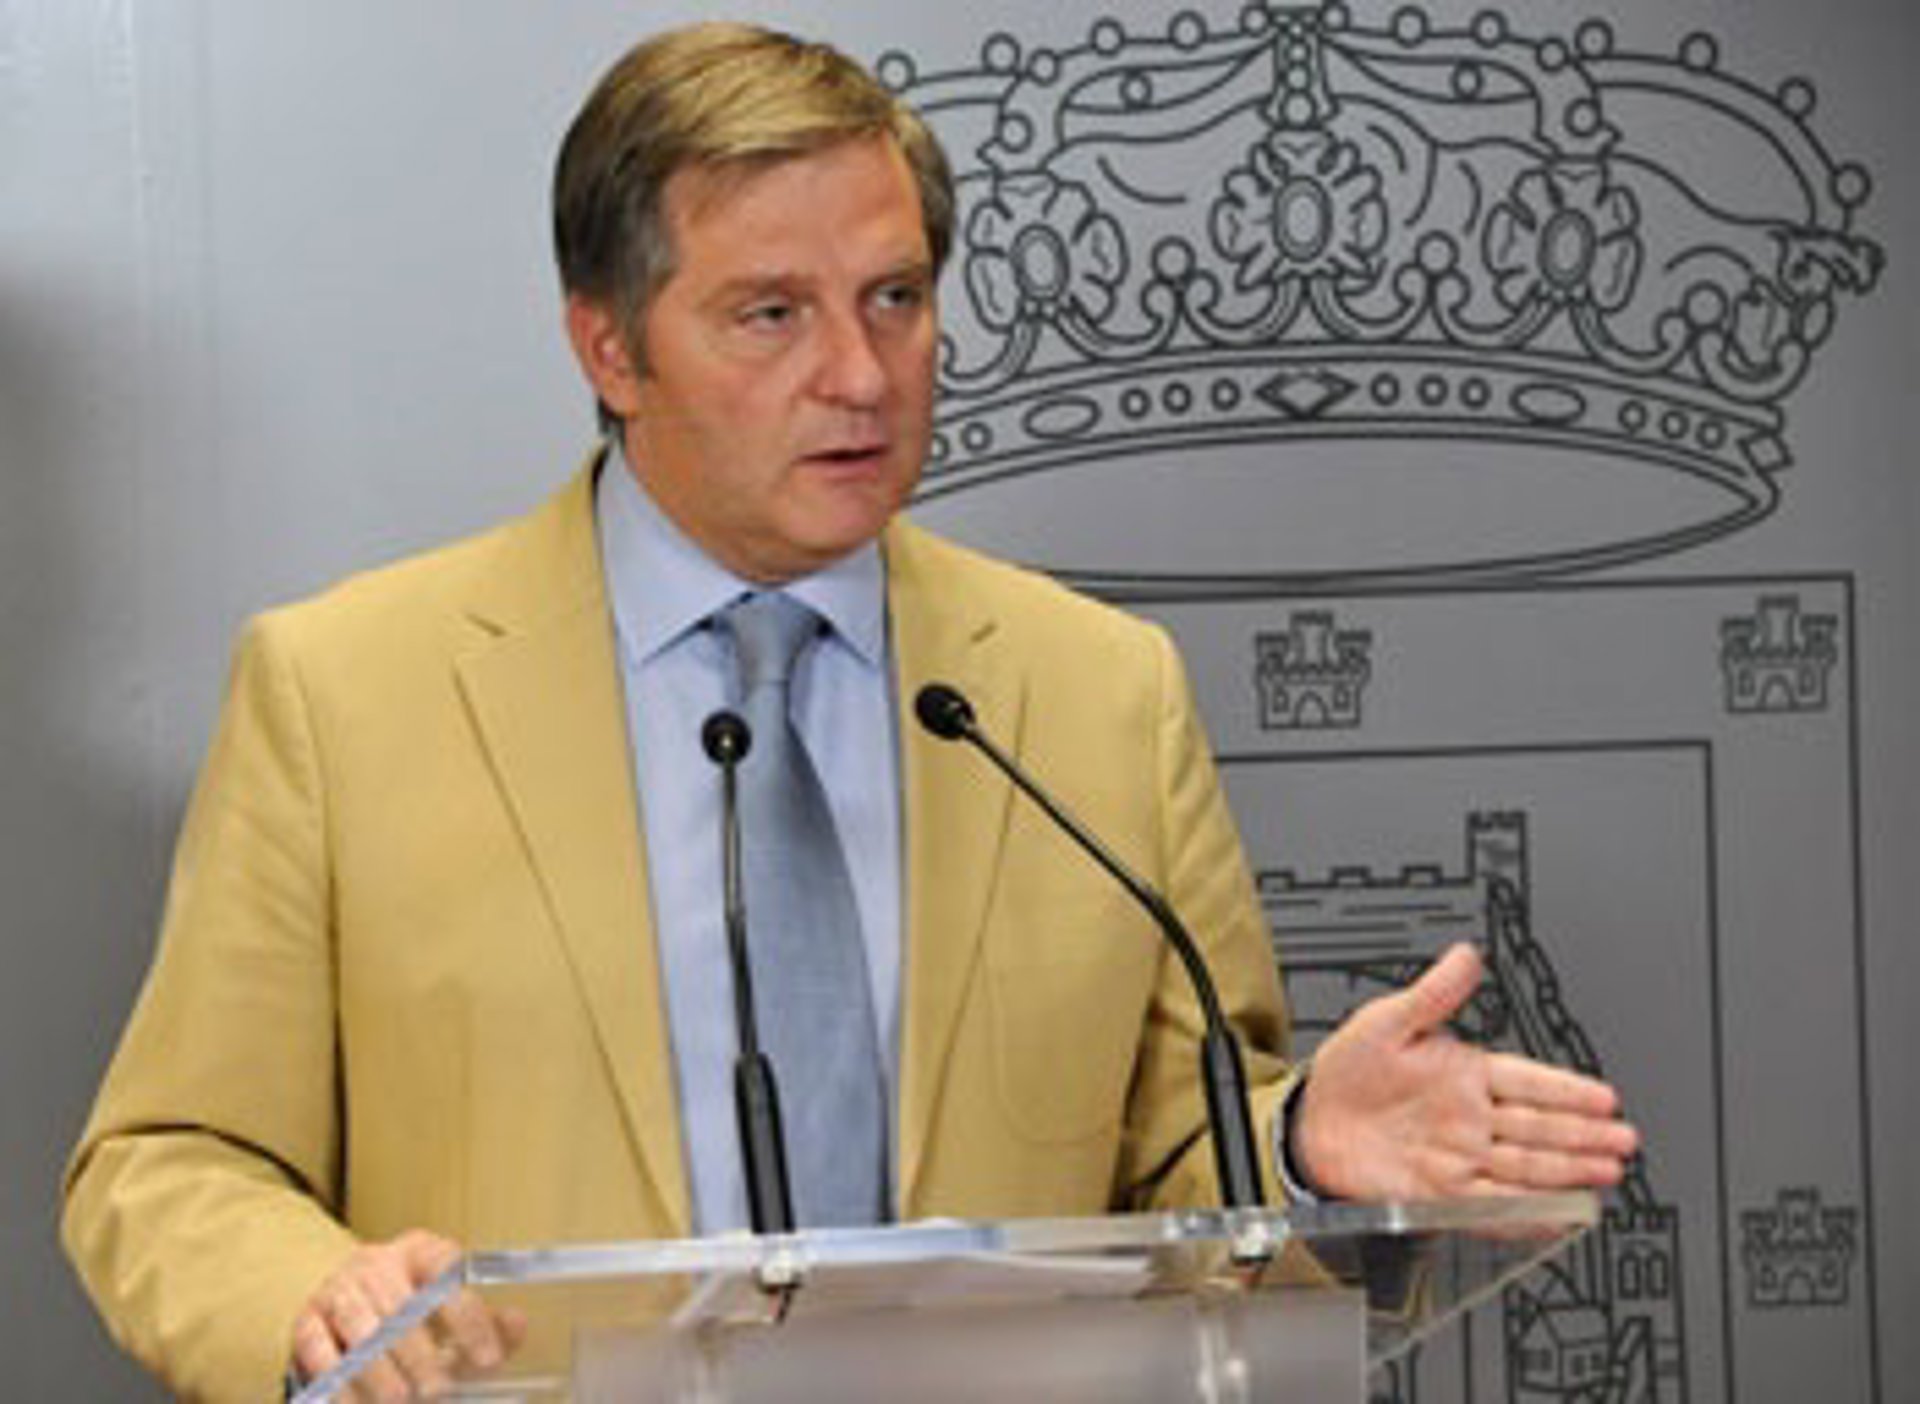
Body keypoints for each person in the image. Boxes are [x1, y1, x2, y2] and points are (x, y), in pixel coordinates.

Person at [62, 22, 1638, 1402]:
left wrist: (1296, 1153)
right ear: (611, 346)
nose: (863, 376)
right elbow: (168, 1163)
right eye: (772, 314)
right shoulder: (347, 694)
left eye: (896, 297)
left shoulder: (1094, 692)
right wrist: (313, 1301)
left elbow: (1174, 1169)